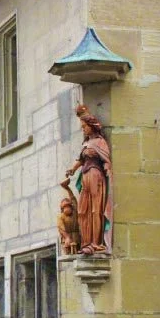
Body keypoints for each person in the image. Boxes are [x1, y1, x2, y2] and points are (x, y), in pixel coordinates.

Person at [63, 105, 113, 254]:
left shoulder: (100, 142)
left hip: (96, 175)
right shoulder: (86, 144)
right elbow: (80, 160)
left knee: (95, 209)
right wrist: (72, 169)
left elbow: (106, 159)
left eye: (84, 126)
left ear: (92, 126)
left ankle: (96, 243)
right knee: (82, 210)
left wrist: (107, 168)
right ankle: (86, 243)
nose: (83, 129)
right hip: (85, 176)